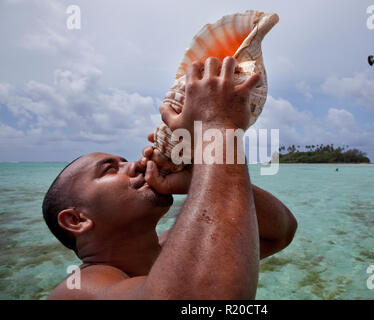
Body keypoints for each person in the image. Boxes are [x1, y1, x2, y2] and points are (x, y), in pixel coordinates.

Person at [44, 57, 298, 299]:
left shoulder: (171, 245)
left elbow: (280, 231)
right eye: (110, 169)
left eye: (124, 161)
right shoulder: (79, 290)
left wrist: (197, 179)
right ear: (76, 220)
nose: (134, 165)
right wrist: (216, 126)